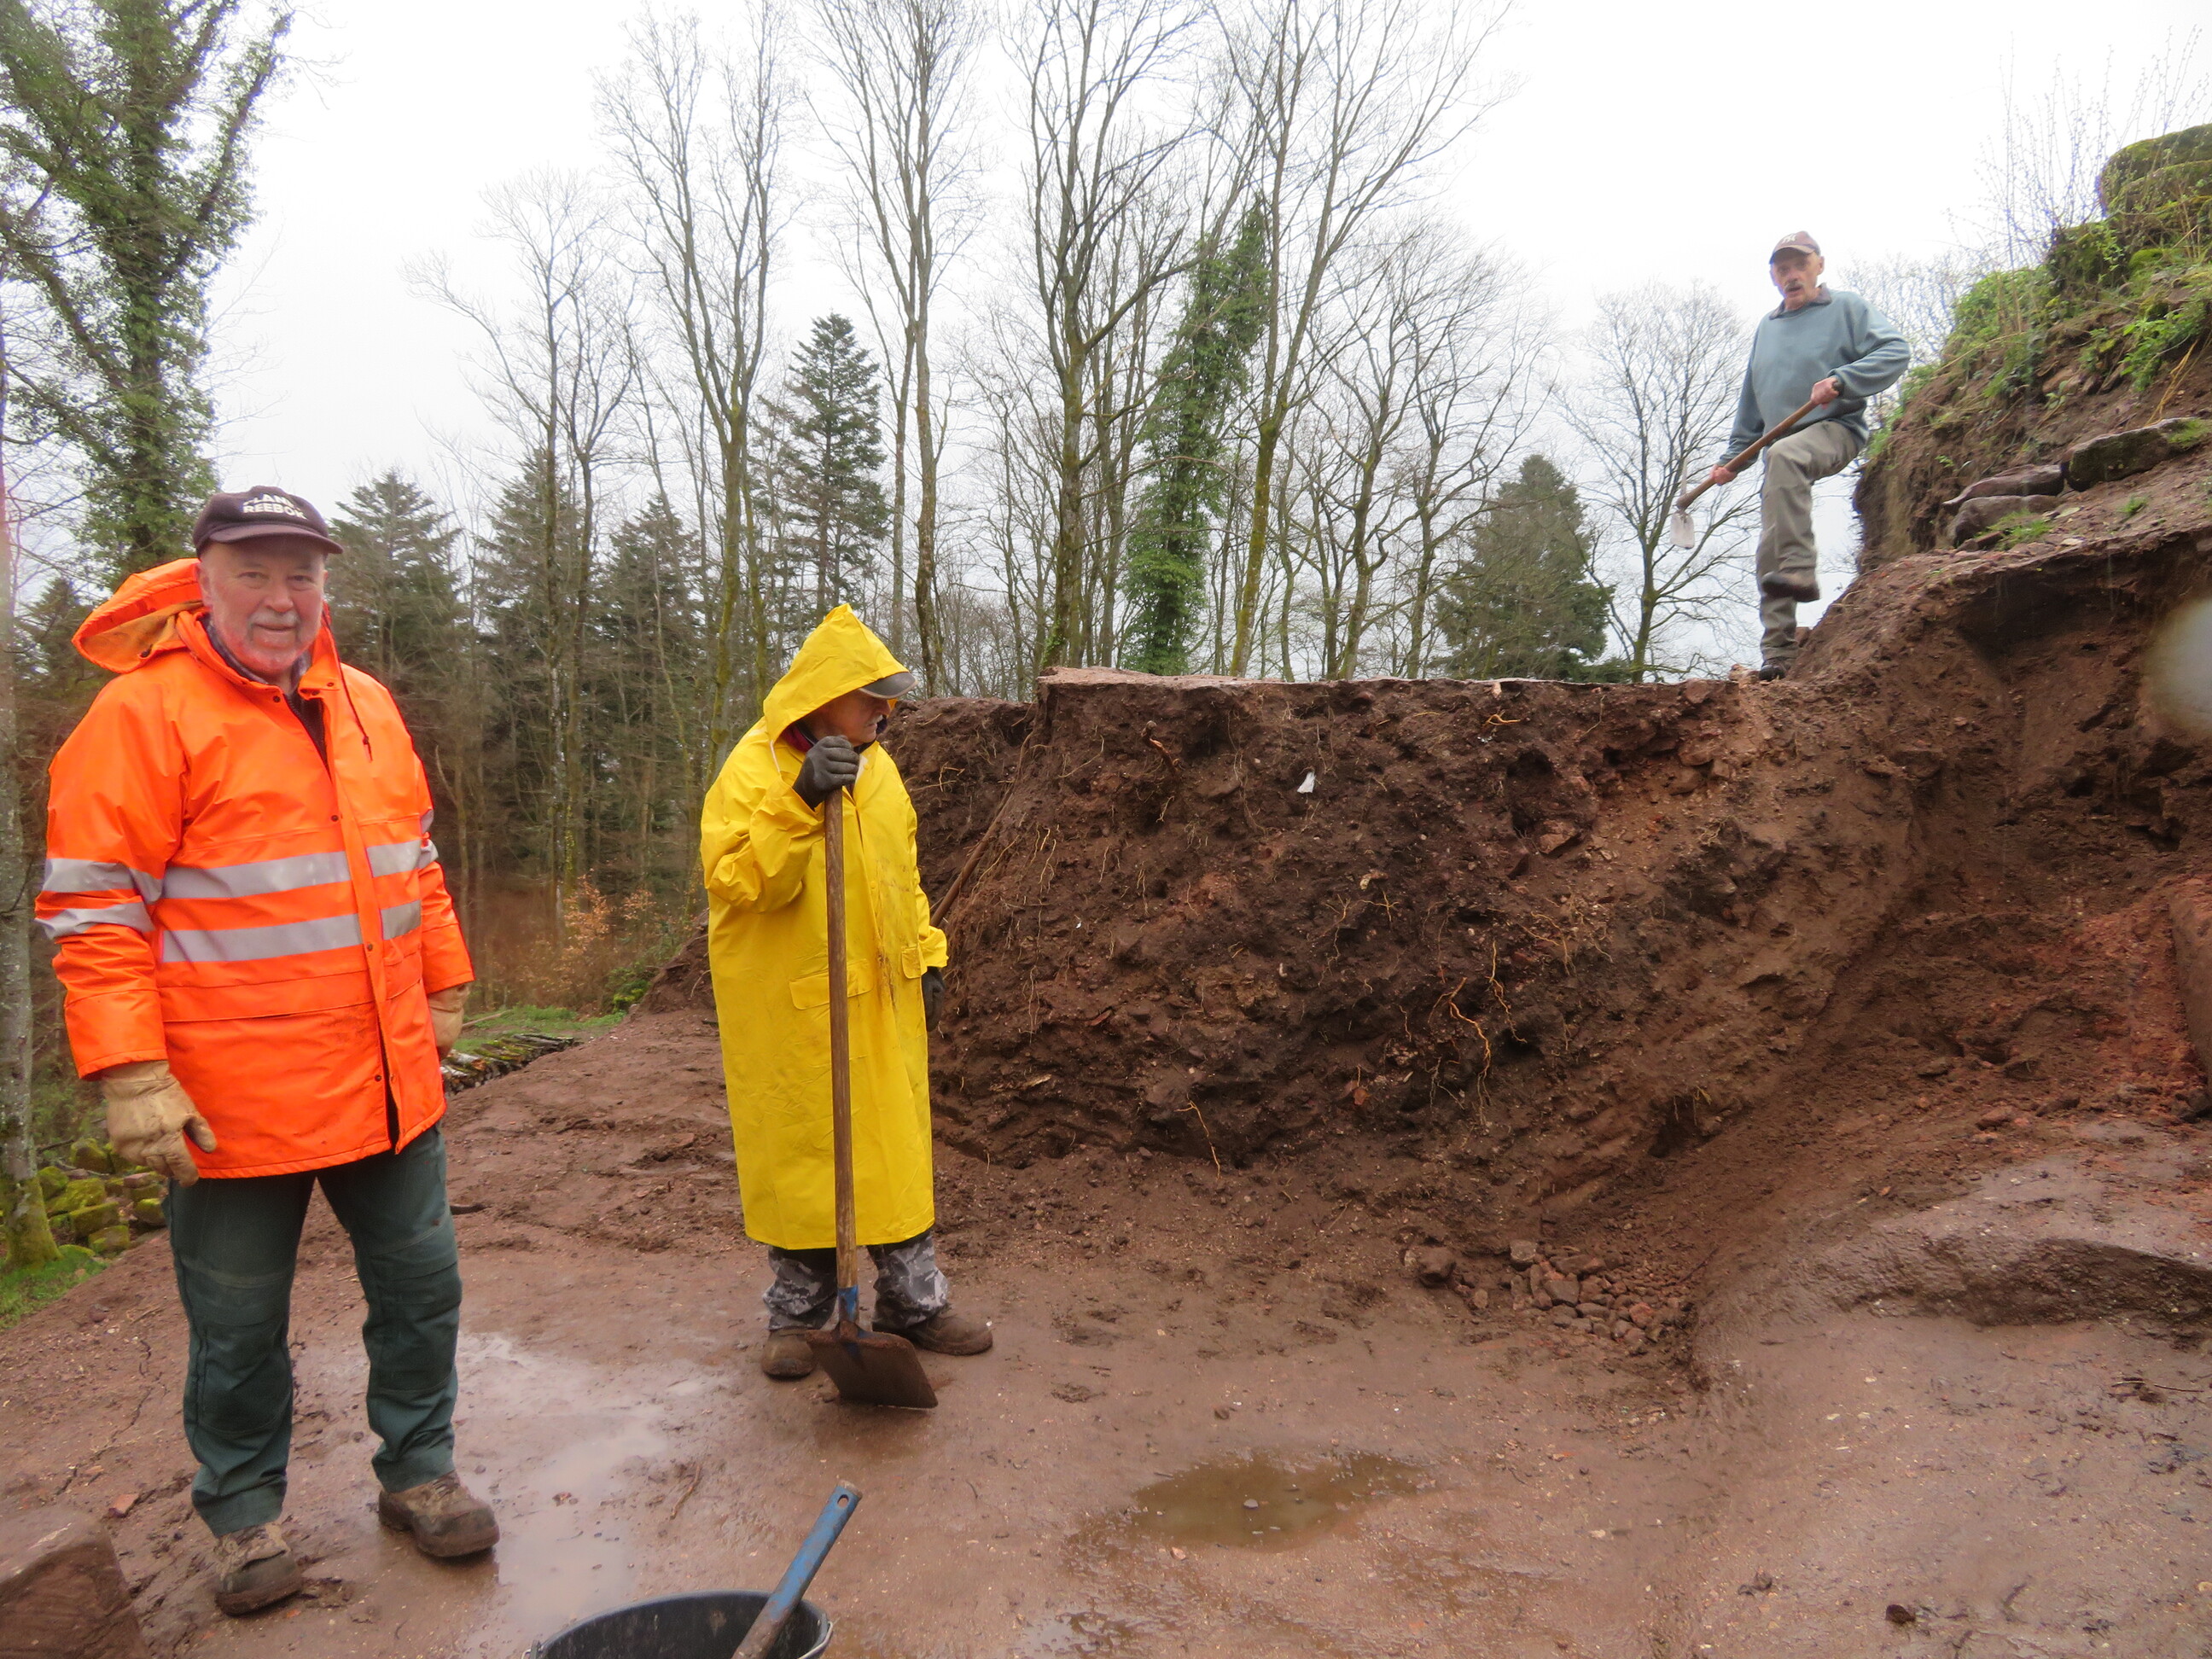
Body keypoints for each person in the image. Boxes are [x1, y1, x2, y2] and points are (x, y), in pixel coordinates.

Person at [36, 487, 496, 1616]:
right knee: (239, 1324)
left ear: (325, 585)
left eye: (302, 573)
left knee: (423, 1289)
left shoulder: (367, 705)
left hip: (386, 1077)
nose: (281, 597)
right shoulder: (143, 716)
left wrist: (443, 980)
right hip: (230, 1099)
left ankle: (420, 1472)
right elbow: (95, 911)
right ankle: (243, 1515)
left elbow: (415, 861)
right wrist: (129, 1070)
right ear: (203, 581)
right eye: (254, 572)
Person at [700, 605, 991, 1380]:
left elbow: (903, 878)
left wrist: (928, 959)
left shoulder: (880, 770)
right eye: (872, 696)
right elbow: (739, 882)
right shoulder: (753, 771)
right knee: (806, 1159)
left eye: (890, 697)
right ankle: (797, 1318)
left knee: (895, 1157)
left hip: (882, 1004)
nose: (886, 710)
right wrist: (797, 802)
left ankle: (914, 1305)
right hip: (798, 1013)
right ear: (824, 696)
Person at [1709, 232, 1909, 679]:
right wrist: (1733, 458)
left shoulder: (1847, 309)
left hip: (1836, 428)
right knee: (1770, 544)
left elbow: (1896, 350)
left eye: (1800, 265)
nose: (1792, 275)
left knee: (1785, 456)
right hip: (1780, 450)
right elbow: (1752, 401)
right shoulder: (1768, 328)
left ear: (1819, 265)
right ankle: (1778, 653)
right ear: (1773, 276)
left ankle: (1800, 570)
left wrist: (1842, 380)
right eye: (1783, 268)